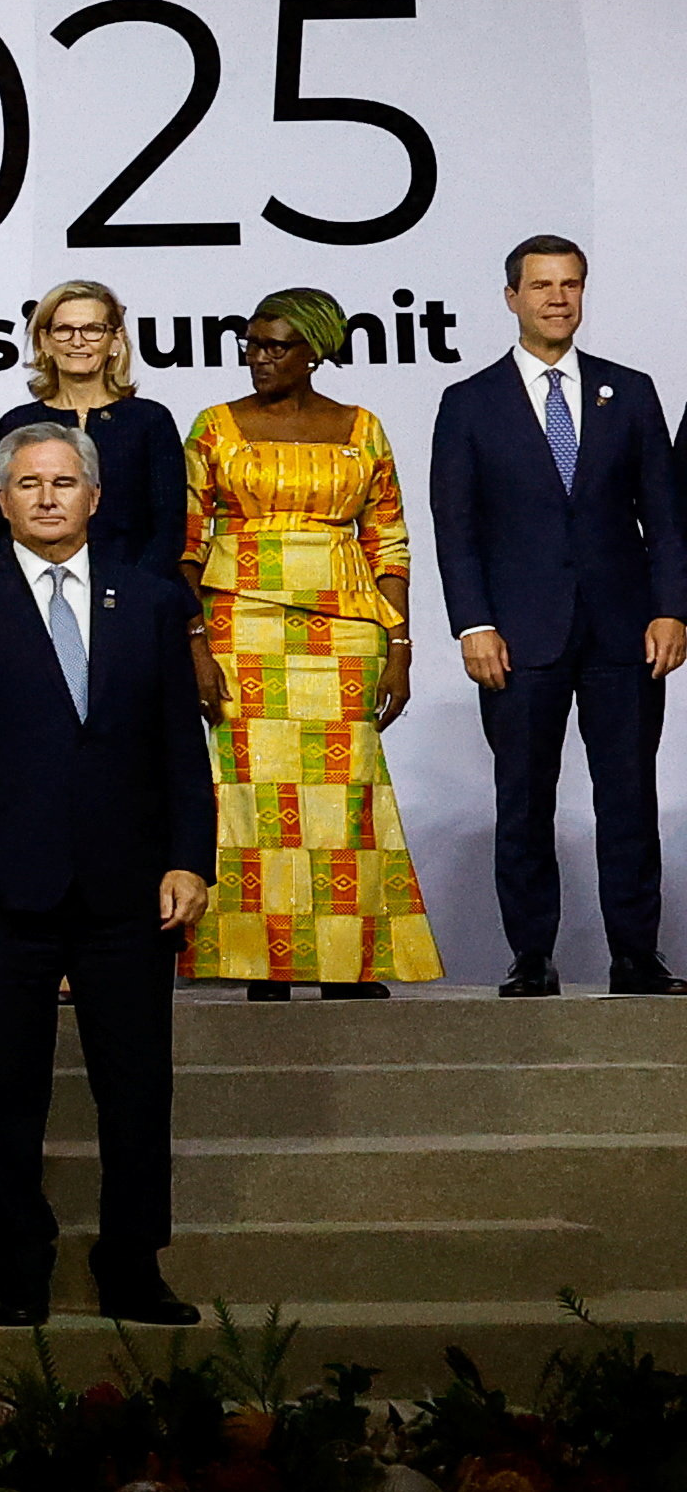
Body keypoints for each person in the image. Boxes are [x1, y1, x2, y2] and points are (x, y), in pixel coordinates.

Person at [0, 415, 217, 1326]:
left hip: (131, 888)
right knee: (7, 1093)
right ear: (1, 501)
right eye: (29, 485)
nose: (47, 498)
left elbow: (179, 748)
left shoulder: (152, 600)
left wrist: (189, 861)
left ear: (95, 495)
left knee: (137, 1088)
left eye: (63, 483)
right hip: (1, 892)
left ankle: (134, 1264)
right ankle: (21, 1267)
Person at [431, 233, 687, 997]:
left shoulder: (630, 390)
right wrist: (473, 624)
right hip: (517, 636)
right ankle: (531, 956)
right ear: (511, 297)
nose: (557, 298)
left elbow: (666, 519)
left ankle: (636, 957)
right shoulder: (469, 402)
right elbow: (458, 527)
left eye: (570, 285)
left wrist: (673, 608)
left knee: (628, 797)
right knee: (524, 799)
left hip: (624, 631)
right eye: (541, 285)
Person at [187, 288, 442, 996]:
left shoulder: (361, 428)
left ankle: (347, 964)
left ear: (314, 353)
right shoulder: (214, 426)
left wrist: (399, 646)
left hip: (345, 628)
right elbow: (185, 542)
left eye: (277, 346)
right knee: (249, 797)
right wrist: (196, 645)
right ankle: (262, 964)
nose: (259, 358)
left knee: (345, 796)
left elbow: (388, 542)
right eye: (252, 342)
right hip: (242, 626)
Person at [19, 279, 191, 584]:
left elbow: (169, 527)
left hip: (138, 594)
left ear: (115, 340)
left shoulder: (150, 420)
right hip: (42, 595)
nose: (78, 341)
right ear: (44, 341)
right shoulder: (19, 424)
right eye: (64, 330)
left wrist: (135, 592)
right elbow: (5, 521)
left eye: (92, 329)